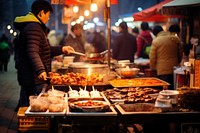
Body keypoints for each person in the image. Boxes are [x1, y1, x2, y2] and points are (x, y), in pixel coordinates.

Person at [13, 0, 75, 107]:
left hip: (31, 76)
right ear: (41, 13)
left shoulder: (34, 27)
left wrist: (62, 49)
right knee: (33, 109)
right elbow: (32, 51)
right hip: (34, 78)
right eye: (48, 14)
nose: (49, 17)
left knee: (29, 107)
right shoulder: (34, 27)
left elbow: (44, 50)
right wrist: (40, 70)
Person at [149, 25, 182, 90]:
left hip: (162, 70)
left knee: (164, 90)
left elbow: (152, 57)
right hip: (174, 68)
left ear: (155, 34)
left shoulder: (156, 41)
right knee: (173, 88)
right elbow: (180, 53)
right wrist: (178, 62)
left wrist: (153, 67)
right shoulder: (175, 39)